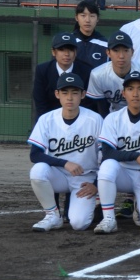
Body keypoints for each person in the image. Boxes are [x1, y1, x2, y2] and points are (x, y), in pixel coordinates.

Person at [93, 71, 140, 234]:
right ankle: (108, 218)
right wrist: (136, 155)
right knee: (107, 166)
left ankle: (138, 205)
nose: (135, 94)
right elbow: (106, 152)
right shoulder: (113, 118)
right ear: (123, 93)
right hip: (122, 174)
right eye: (130, 89)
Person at [26, 71, 103, 232]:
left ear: (83, 94)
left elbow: (106, 156)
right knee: (38, 171)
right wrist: (65, 163)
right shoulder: (46, 119)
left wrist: (96, 184)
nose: (69, 97)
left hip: (85, 178)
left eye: (75, 93)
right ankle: (52, 215)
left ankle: (74, 211)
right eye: (65, 92)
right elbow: (35, 154)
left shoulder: (95, 119)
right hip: (57, 174)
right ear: (57, 94)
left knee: (79, 224)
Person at [85, 30, 140, 117]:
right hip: (112, 117)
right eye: (116, 51)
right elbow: (99, 105)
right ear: (108, 53)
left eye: (126, 50)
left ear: (132, 52)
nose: (121, 56)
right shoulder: (98, 75)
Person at [33, 32, 94, 122]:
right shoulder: (42, 70)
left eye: (70, 49)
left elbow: (89, 102)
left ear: (76, 52)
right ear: (53, 52)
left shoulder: (87, 71)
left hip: (81, 121)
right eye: (61, 49)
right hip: (50, 120)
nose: (66, 54)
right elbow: (40, 102)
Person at [72, 0, 108, 68]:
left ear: (97, 19)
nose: (87, 20)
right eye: (83, 15)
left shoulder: (105, 44)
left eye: (92, 16)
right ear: (76, 17)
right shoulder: (68, 42)